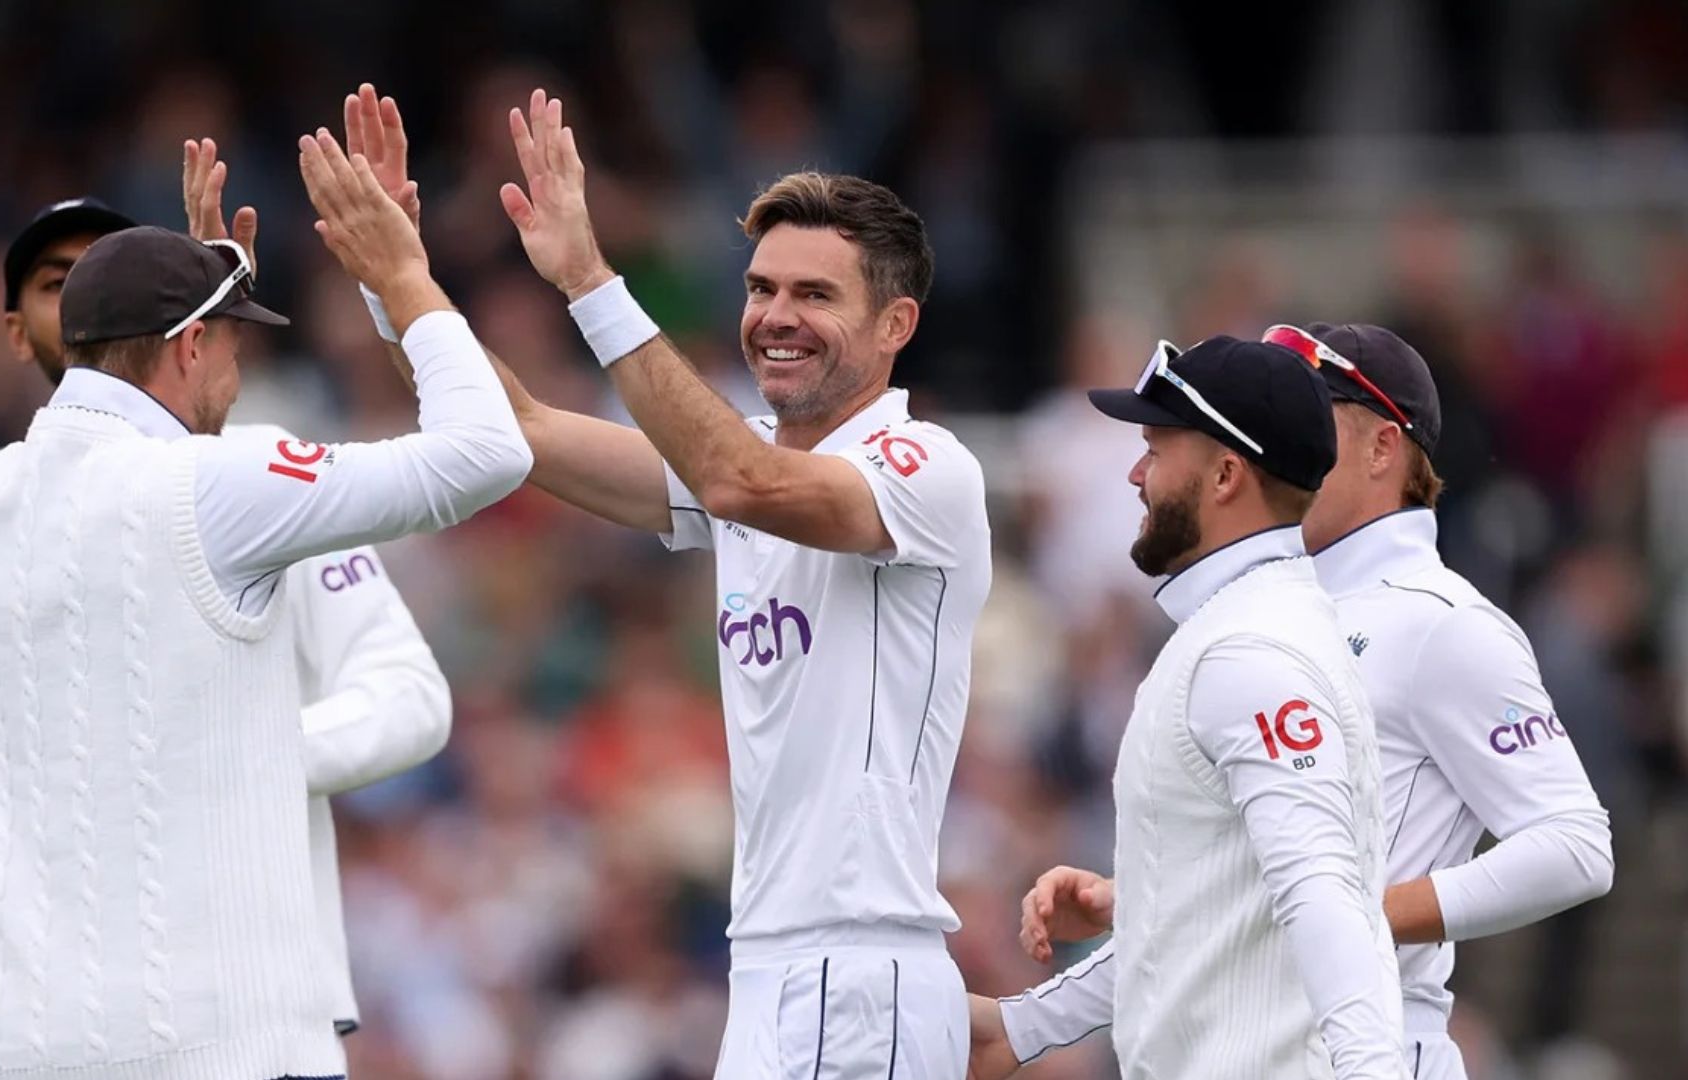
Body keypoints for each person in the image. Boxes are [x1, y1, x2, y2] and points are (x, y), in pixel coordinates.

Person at [0, 103, 530, 1080]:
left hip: (24, 1047)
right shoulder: (225, 482)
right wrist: (404, 278)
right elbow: (488, 452)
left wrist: (200, 274)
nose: (240, 367)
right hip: (225, 1045)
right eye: (229, 341)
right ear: (188, 349)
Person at [488, 90, 992, 1077]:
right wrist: (395, 278)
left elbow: (740, 482)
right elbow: (521, 434)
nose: (774, 317)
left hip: (859, 973)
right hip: (768, 970)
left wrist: (590, 280)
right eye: (762, 289)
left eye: (814, 294)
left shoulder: (925, 466)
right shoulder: (751, 460)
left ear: (896, 324)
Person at [1007, 324, 1615, 1079]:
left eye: (1311, 407)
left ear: (1383, 449)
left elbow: (1576, 847)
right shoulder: (1258, 605)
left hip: (1376, 1047)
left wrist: (1356, 913)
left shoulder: (1441, 622)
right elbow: (1269, 891)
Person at [969, 336, 1406, 1080]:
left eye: (1154, 449)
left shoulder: (1250, 651)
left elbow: (1323, 896)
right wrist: (1024, 1026)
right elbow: (1210, 930)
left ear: (1227, 474)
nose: (1135, 475)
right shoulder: (1237, 632)